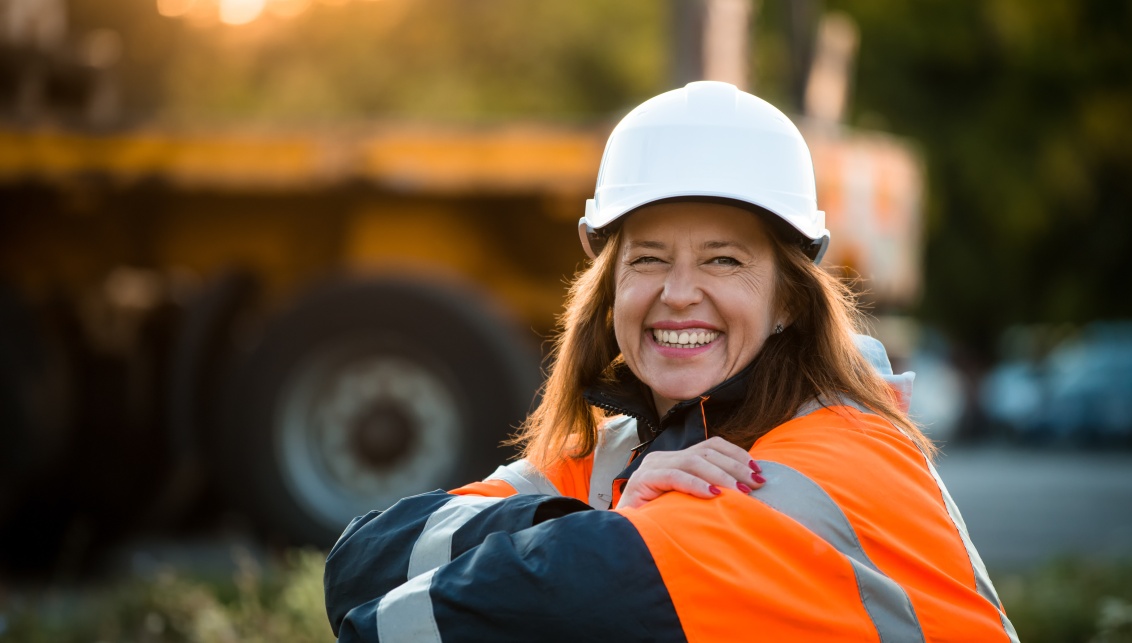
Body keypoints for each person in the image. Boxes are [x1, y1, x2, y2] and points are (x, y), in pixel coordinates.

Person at [324, 81, 1019, 642]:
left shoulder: (826, 462)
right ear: (610, 282)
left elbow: (398, 625)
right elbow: (359, 558)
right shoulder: (627, 454)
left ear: (787, 300)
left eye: (723, 259)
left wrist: (602, 526)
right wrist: (589, 513)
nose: (678, 294)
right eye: (649, 258)